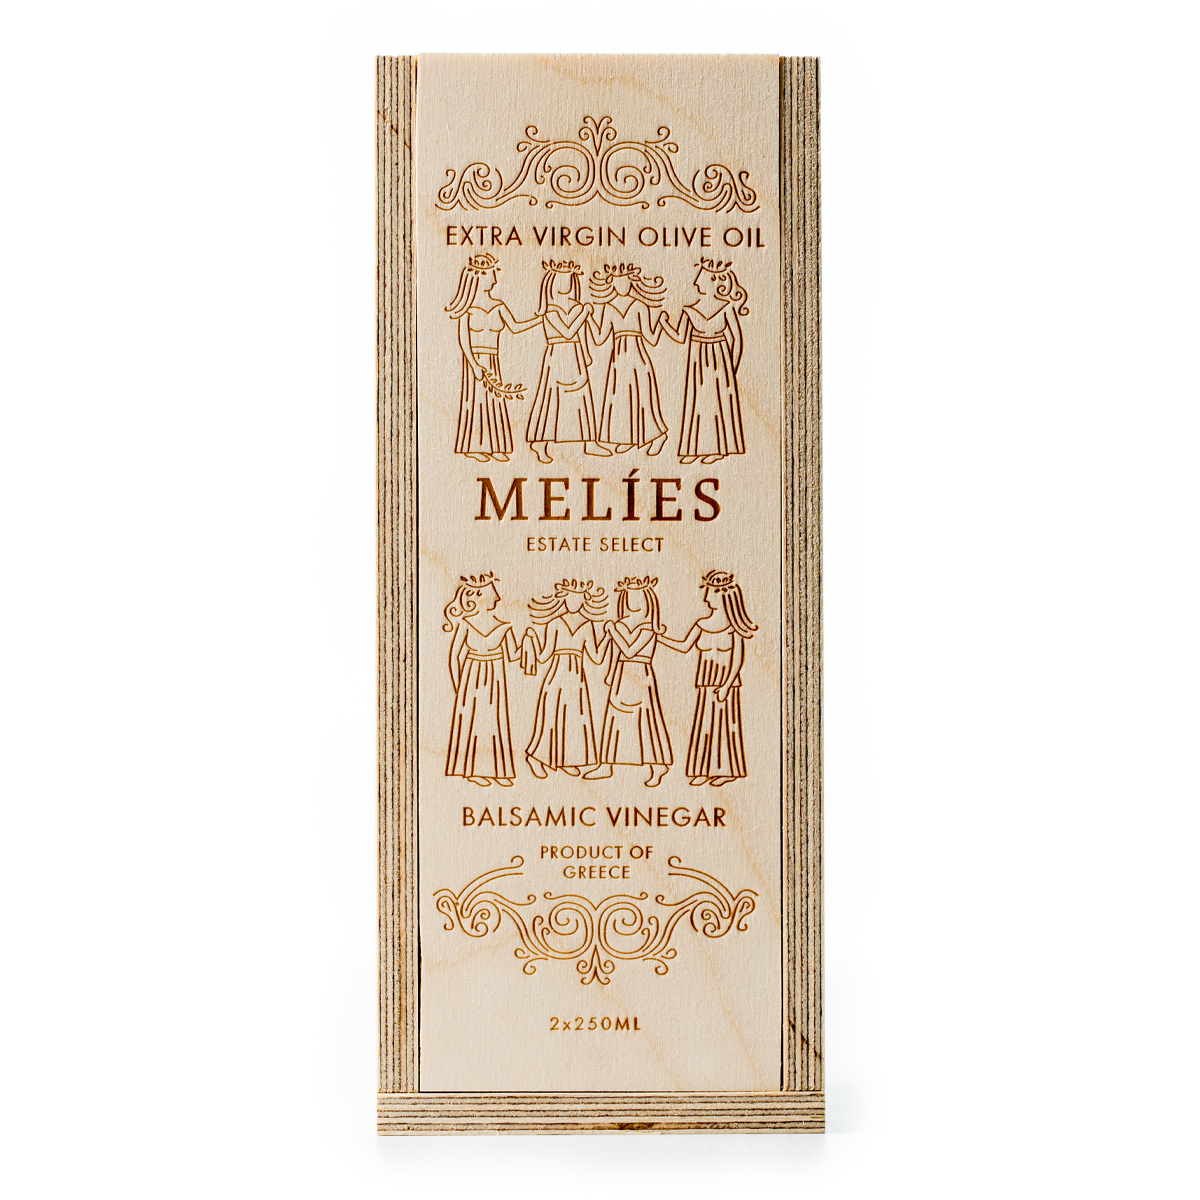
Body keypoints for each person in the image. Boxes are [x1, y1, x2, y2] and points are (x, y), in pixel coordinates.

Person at [659, 570, 757, 787]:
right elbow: (683, 646)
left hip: (725, 684)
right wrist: (658, 637)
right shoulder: (702, 624)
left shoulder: (733, 628)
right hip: (706, 682)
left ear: (722, 595)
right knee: (704, 726)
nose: (705, 598)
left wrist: (727, 685)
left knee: (725, 727)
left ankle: (727, 771)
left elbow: (737, 660)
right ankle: (703, 769)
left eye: (710, 592)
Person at [444, 253, 539, 463]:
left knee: (494, 402)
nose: (495, 280)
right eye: (491, 275)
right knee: (475, 402)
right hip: (475, 360)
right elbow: (464, 340)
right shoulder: (467, 309)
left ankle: (496, 446)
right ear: (479, 276)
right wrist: (474, 364)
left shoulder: (498, 306)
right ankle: (472, 447)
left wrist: (540, 319)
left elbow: (516, 327)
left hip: (492, 359)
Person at [659, 258, 749, 464]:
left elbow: (736, 338)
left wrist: (731, 368)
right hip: (698, 359)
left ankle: (717, 450)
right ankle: (695, 450)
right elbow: (681, 336)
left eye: (701, 277)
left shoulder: (726, 308)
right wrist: (664, 324)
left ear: (712, 281)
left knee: (716, 402)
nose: (696, 281)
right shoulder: (690, 309)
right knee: (698, 402)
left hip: (719, 357)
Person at [584, 577, 672, 787]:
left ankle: (657, 766)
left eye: (637, 595)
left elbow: (630, 650)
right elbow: (608, 653)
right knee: (614, 718)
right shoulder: (621, 624)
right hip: (621, 673)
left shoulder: (649, 627)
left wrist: (613, 631)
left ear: (646, 599)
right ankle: (606, 764)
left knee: (646, 720)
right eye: (629, 595)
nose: (632, 599)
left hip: (640, 672)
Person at [521, 579, 609, 778]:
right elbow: (544, 656)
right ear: (563, 599)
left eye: (578, 598)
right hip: (557, 676)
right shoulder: (555, 623)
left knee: (574, 718)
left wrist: (607, 637)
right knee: (552, 716)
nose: (574, 602)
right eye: (571, 598)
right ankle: (535, 757)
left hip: (577, 679)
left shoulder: (587, 626)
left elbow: (596, 658)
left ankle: (566, 760)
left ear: (585, 600)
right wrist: (532, 640)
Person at [525, 259, 610, 462]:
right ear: (552, 283)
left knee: (581, 397)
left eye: (569, 279)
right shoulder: (550, 310)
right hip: (558, 353)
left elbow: (586, 335)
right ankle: (540, 443)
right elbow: (568, 331)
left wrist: (586, 353)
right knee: (551, 398)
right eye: (561, 279)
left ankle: (590, 442)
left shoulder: (577, 307)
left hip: (575, 354)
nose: (566, 283)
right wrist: (584, 313)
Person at [443, 573, 521, 787]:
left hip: (495, 677)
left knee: (494, 720)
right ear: (479, 596)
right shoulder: (466, 624)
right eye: (492, 592)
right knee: (475, 721)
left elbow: (514, 655)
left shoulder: (504, 626)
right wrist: (459, 686)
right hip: (472, 675)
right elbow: (454, 656)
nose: (497, 596)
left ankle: (497, 771)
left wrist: (529, 641)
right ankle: (473, 771)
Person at [587, 263, 669, 455]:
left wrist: (661, 322)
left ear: (632, 282)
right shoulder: (608, 307)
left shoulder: (639, 305)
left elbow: (651, 338)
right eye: (617, 282)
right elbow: (599, 339)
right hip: (618, 359)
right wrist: (588, 318)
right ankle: (629, 438)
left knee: (643, 396)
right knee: (621, 397)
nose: (621, 286)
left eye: (624, 281)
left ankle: (658, 436)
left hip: (637, 356)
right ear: (611, 284)